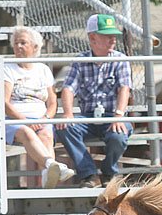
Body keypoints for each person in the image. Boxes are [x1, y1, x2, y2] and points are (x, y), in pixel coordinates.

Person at [56, 14, 132, 188]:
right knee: (64, 127)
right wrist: (67, 114)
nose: (113, 39)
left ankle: (108, 172)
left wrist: (118, 115)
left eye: (114, 35)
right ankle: (89, 174)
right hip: (88, 118)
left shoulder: (120, 59)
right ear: (92, 37)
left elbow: (124, 88)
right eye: (107, 35)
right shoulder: (80, 60)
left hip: (113, 116)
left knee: (118, 135)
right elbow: (68, 88)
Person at [1, 26, 74, 188]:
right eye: (16, 43)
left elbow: (53, 102)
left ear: (35, 47)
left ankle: (47, 176)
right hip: (12, 119)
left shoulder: (43, 69)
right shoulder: (7, 68)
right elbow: (4, 103)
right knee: (27, 132)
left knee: (46, 135)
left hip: (40, 118)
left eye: (23, 43)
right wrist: (26, 120)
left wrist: (45, 118)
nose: (18, 46)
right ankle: (52, 165)